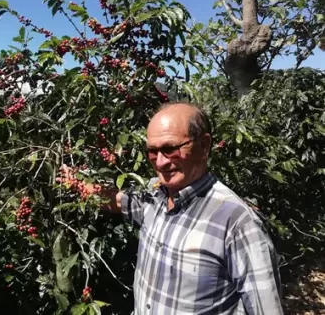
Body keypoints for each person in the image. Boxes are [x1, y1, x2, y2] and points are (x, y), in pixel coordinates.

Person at [63, 102, 283, 314]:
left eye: (171, 149)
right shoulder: (154, 197)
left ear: (204, 146)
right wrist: (76, 183)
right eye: (152, 151)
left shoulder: (236, 222)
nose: (160, 162)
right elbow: (118, 200)